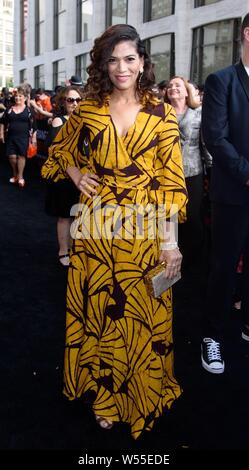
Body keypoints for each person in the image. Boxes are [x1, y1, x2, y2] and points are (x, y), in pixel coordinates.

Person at [42, 24, 187, 439]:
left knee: (139, 317)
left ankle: (140, 393)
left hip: (143, 232)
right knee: (103, 316)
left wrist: (170, 242)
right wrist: (76, 173)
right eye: (112, 59)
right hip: (95, 231)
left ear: (142, 62)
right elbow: (59, 150)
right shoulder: (88, 108)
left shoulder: (162, 114)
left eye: (129, 58)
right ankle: (105, 398)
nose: (121, 67)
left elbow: (171, 184)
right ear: (103, 65)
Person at [201, 13, 249, 374]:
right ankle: (212, 336)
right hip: (233, 194)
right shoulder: (221, 81)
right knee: (223, 268)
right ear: (247, 34)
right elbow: (215, 138)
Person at [165, 76, 211, 269]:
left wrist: (211, 170)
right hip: (166, 174)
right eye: (169, 86)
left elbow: (205, 144)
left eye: (178, 85)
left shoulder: (199, 113)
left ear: (186, 91)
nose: (172, 88)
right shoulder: (160, 114)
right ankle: (170, 258)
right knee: (170, 218)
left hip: (193, 173)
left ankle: (191, 260)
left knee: (192, 219)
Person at [45, 86, 84, 267]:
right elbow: (56, 152)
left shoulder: (86, 121)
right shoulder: (58, 122)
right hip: (63, 177)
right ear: (63, 102)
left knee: (78, 214)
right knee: (64, 216)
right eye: (70, 100)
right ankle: (63, 250)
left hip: (83, 177)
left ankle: (75, 248)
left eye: (78, 100)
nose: (74, 103)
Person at [0, 86, 34, 187]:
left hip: (23, 137)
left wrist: (34, 139)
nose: (17, 98)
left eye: (20, 96)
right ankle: (15, 174)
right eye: (16, 96)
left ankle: (20, 177)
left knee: (21, 156)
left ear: (24, 98)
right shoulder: (9, 110)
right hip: (11, 137)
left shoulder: (28, 111)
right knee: (12, 156)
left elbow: (34, 125)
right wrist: (1, 133)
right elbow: (2, 122)